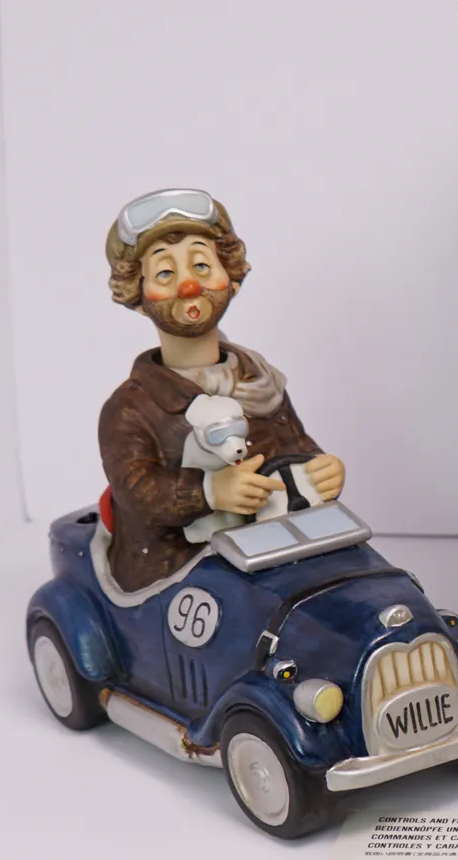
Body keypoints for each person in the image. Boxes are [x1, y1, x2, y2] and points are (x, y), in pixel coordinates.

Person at [98, 188, 346, 592]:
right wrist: (209, 491)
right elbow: (136, 492)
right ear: (138, 297)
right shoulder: (130, 408)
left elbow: (294, 445)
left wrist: (321, 468)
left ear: (231, 280)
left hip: (275, 546)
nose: (189, 286)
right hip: (181, 568)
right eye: (165, 273)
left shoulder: (260, 381)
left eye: (201, 265)